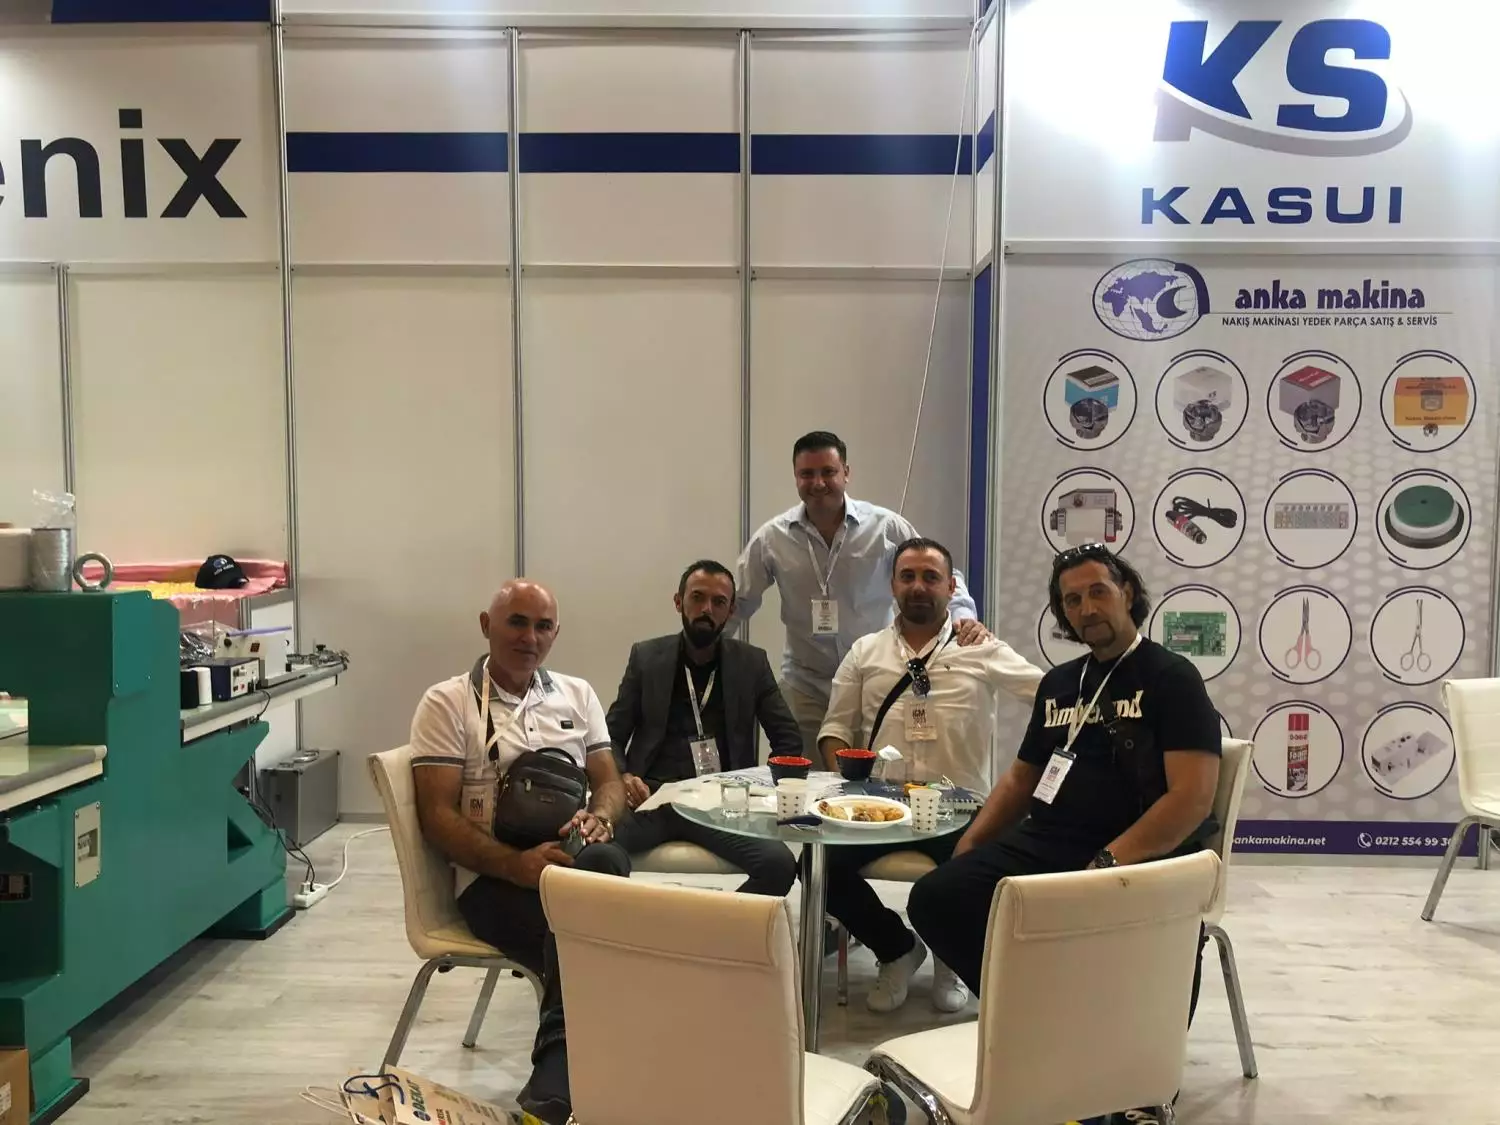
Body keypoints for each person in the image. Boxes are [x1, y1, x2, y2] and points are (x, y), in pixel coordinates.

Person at [905, 544, 1221, 1125]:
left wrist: (1105, 864)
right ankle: (1043, 1024)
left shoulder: (1171, 678)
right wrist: (969, 847)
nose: (1086, 608)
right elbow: (1022, 777)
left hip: (1139, 852)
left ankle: (1138, 1082)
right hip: (1051, 838)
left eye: (1098, 591)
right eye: (1072, 600)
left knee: (1153, 931)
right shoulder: (1060, 683)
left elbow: (1191, 798)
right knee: (937, 898)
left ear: (1127, 593)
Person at [409, 579, 629, 1125]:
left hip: (570, 865)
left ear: (555, 634)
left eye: (543, 626)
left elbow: (609, 782)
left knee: (605, 865)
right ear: (487, 626)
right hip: (491, 881)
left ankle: (557, 1086)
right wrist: (516, 867)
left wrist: (600, 818)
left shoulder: (577, 694)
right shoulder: (447, 702)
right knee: (598, 939)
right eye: (517, 622)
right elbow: (436, 816)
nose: (530, 637)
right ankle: (573, 1083)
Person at [816, 537, 1044, 1013]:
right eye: (908, 576)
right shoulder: (865, 651)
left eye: (930, 577)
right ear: (893, 585)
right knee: (818, 867)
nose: (918, 586)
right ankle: (896, 949)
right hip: (882, 807)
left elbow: (1046, 695)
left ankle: (949, 956)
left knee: (971, 874)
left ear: (951, 587)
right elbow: (834, 728)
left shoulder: (981, 647)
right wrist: (847, 786)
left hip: (962, 807)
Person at [736, 430, 990, 759]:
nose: (818, 483)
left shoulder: (885, 527)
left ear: (846, 473)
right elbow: (739, 600)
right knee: (804, 780)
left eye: (828, 472)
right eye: (807, 474)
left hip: (875, 680)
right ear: (796, 477)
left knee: (883, 776)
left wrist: (963, 618)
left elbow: (938, 571)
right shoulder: (773, 538)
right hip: (806, 688)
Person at [607, 560, 802, 896]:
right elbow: (610, 736)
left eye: (718, 602)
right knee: (590, 850)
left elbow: (788, 740)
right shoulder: (646, 658)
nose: (706, 609)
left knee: (780, 864)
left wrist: (760, 794)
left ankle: (719, 926)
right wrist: (621, 776)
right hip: (651, 799)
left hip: (721, 806)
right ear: (678, 602)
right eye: (697, 597)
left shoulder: (751, 663)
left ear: (731, 611)